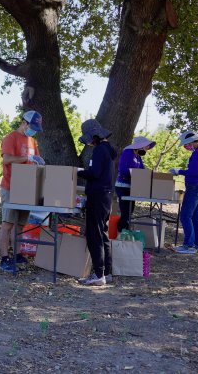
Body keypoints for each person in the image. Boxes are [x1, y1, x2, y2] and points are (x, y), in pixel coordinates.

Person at [0, 110, 44, 273]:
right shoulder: (11, 138)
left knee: (20, 225)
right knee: (8, 224)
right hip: (10, 186)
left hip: (27, 188)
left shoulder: (32, 140)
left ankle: (17, 254)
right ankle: (4, 258)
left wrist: (38, 163)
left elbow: (36, 159)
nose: (34, 130)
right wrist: (26, 159)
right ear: (24, 123)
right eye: (32, 126)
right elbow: (7, 159)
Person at [77, 119, 117, 286]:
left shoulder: (100, 150)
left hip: (98, 195)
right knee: (104, 233)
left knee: (94, 235)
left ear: (94, 136)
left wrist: (80, 172)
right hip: (107, 196)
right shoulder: (109, 149)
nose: (89, 142)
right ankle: (106, 272)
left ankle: (98, 274)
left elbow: (95, 173)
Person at [170, 130, 198, 255]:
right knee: (195, 216)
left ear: (193, 142)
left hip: (195, 187)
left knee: (185, 215)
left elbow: (193, 172)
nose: (186, 146)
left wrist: (179, 171)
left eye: (187, 144)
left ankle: (189, 245)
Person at [114, 136, 156, 232]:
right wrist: (135, 173)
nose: (147, 149)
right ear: (140, 146)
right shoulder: (127, 153)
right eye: (146, 147)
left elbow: (142, 170)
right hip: (122, 186)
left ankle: (125, 233)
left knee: (129, 213)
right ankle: (120, 234)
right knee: (125, 213)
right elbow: (123, 169)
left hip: (132, 187)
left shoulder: (138, 156)